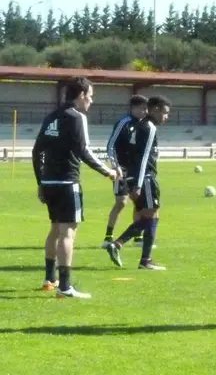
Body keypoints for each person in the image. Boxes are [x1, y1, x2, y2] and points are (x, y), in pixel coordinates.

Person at [31, 76, 121, 298]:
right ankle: (65, 287)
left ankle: (50, 279)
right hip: (67, 182)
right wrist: (108, 171)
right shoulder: (77, 117)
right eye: (90, 97)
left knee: (55, 229)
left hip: (49, 182)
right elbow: (84, 151)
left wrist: (40, 183)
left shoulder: (51, 116)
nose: (91, 102)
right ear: (81, 95)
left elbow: (36, 151)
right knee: (68, 233)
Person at [103, 95, 171, 271]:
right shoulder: (148, 127)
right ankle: (127, 250)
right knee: (151, 216)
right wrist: (138, 184)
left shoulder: (141, 126)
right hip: (145, 178)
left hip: (136, 177)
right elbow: (143, 158)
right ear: (154, 110)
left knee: (149, 216)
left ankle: (141, 257)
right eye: (164, 113)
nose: (166, 117)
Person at [102, 95, 148, 248]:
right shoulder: (124, 123)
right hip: (122, 170)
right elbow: (110, 146)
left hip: (136, 171)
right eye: (142, 108)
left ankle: (137, 237)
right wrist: (115, 166)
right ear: (133, 108)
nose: (145, 111)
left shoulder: (144, 125)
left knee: (139, 202)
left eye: (146, 109)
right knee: (121, 202)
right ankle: (108, 236)